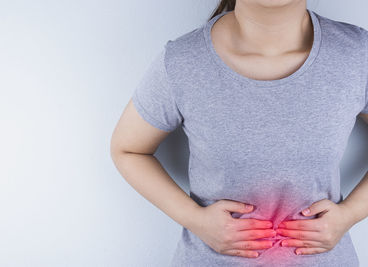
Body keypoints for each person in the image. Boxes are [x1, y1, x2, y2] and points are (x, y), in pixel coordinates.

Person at [110, 0, 368, 266]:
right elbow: (128, 150)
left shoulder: (356, 53)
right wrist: (194, 219)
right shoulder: (182, 61)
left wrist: (351, 214)